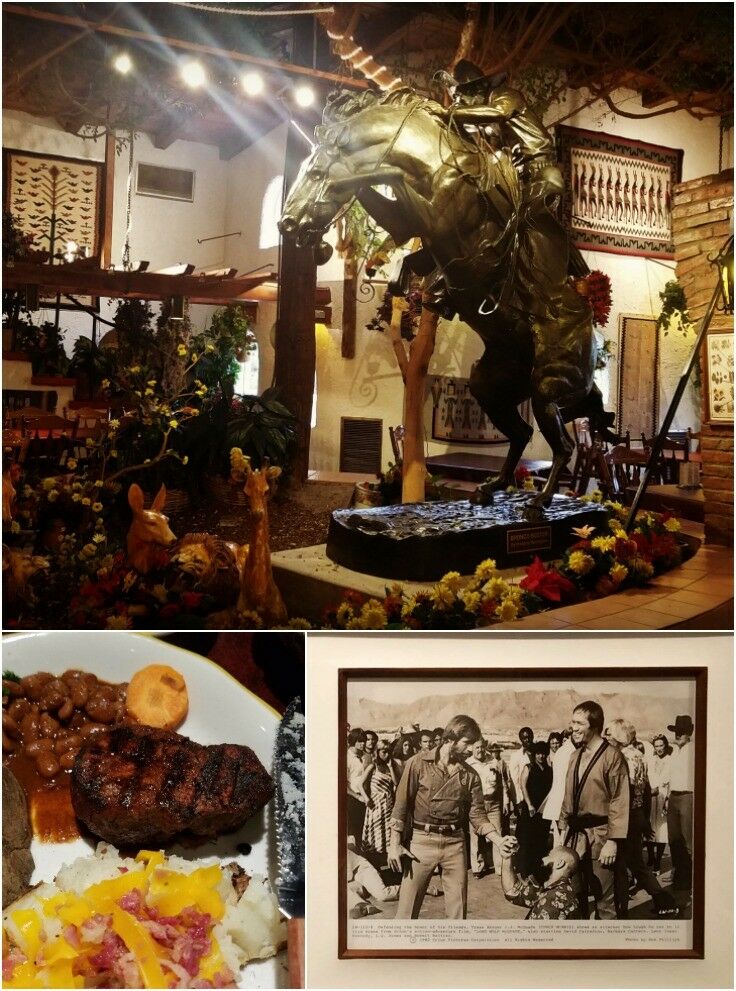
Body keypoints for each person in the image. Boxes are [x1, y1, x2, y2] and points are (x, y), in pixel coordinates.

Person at [388, 714, 516, 920]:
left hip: (455, 845)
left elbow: (478, 816)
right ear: (450, 739)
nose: (470, 749)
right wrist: (394, 844)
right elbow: (401, 805)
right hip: (421, 844)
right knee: (405, 914)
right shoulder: (417, 763)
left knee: (457, 917)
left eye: (474, 744)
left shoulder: (470, 775)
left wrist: (499, 840)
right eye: (467, 743)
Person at [558, 701, 629, 920]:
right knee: (575, 895)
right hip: (575, 837)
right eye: (572, 722)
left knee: (604, 900)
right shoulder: (574, 756)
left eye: (579, 723)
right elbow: (568, 797)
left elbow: (620, 799)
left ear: (595, 725)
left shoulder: (612, 757)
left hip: (601, 836)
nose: (573, 728)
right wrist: (563, 832)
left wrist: (613, 841)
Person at [605, 719, 678, 918]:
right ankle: (664, 901)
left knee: (620, 867)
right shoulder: (640, 756)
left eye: (610, 733)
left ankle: (621, 912)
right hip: (636, 816)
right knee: (636, 864)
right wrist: (644, 820)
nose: (607, 737)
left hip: (624, 816)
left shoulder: (619, 757)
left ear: (619, 735)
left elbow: (622, 792)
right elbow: (645, 790)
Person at [500, 844, 582, 920]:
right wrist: (506, 858)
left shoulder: (552, 899)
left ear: (559, 864)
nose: (543, 858)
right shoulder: (555, 889)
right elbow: (512, 891)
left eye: (549, 856)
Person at [359, 738, 402, 859]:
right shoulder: (373, 766)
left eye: (388, 751)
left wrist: (391, 767)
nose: (386, 754)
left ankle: (386, 861)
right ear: (377, 752)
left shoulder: (391, 766)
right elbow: (360, 784)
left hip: (387, 803)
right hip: (375, 803)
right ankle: (375, 861)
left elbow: (396, 783)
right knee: (375, 833)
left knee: (386, 833)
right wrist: (366, 798)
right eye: (383, 751)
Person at [666, 715, 694, 897]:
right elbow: (669, 777)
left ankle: (691, 881)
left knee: (687, 840)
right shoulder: (675, 751)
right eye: (676, 732)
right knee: (674, 839)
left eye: (681, 732)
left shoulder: (694, 751)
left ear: (688, 733)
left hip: (687, 796)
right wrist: (667, 798)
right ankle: (680, 878)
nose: (678, 735)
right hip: (673, 797)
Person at [466, 738, 503, 876]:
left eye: (482, 747)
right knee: (476, 836)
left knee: (497, 834)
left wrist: (504, 802)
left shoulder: (493, 761)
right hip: (476, 804)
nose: (480, 750)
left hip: (493, 803)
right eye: (477, 748)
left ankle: (499, 868)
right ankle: (477, 868)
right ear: (472, 748)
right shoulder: (468, 764)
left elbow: (501, 783)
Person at [517, 741, 553, 879]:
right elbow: (523, 786)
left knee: (541, 840)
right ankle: (525, 872)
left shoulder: (549, 770)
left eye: (543, 753)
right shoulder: (529, 767)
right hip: (530, 809)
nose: (541, 756)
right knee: (527, 840)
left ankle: (538, 870)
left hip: (544, 809)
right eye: (538, 753)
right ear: (535, 754)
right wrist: (530, 804)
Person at [544, 729, 575, 848]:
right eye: (553, 743)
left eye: (558, 742)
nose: (555, 745)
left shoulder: (563, 752)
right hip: (559, 794)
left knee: (561, 832)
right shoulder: (565, 752)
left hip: (558, 795)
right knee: (561, 831)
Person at [646, 734, 672, 872]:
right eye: (656, 746)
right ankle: (650, 857)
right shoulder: (650, 760)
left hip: (663, 796)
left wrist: (667, 799)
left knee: (662, 829)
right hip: (651, 796)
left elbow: (672, 782)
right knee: (650, 826)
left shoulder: (671, 760)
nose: (659, 748)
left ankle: (657, 861)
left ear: (665, 745)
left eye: (661, 745)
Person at [347, 729, 368, 849]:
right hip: (353, 798)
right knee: (354, 831)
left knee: (363, 830)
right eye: (360, 741)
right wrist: (357, 796)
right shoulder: (347, 757)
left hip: (365, 797)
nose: (363, 744)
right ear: (353, 741)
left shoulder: (365, 756)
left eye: (364, 741)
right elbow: (344, 784)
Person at [508, 726, 534, 811]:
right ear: (521, 739)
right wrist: (517, 801)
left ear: (533, 737)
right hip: (523, 799)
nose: (527, 740)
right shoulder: (515, 756)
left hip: (538, 796)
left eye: (529, 737)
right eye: (524, 738)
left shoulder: (538, 753)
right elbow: (514, 780)